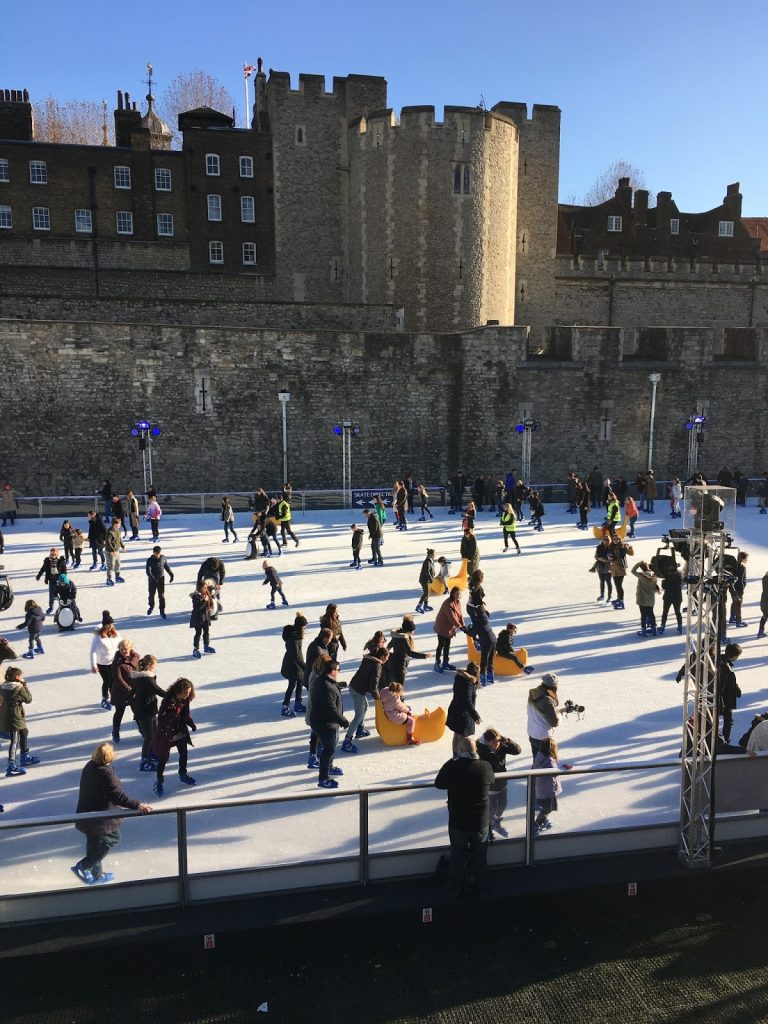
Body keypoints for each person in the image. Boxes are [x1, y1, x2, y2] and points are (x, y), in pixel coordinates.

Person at [72, 742, 152, 885]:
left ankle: (97, 875)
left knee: (94, 844)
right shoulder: (105, 773)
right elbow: (117, 796)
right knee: (114, 838)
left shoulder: (90, 766)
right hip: (101, 818)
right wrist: (138, 805)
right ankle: (85, 865)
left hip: (86, 813)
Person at [434, 736, 494, 896]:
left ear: (460, 750)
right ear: (476, 751)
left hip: (458, 822)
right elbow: (492, 780)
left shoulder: (453, 767)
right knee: (480, 857)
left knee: (457, 856)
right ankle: (481, 888)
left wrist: (452, 761)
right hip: (480, 822)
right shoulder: (485, 766)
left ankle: (454, 889)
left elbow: (438, 783)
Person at [153, 678, 198, 796]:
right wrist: (174, 713)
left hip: (180, 732)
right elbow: (161, 719)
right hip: (167, 735)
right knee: (163, 759)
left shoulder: (185, 701)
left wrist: (191, 724)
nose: (187, 695)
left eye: (189, 692)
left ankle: (183, 774)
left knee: (184, 754)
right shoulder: (167, 701)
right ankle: (159, 781)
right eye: (185, 692)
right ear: (179, 691)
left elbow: (186, 715)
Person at [309, 660, 348, 789]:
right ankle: (323, 778)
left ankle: (329, 767)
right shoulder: (327, 686)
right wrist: (343, 720)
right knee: (328, 749)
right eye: (338, 670)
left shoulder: (322, 680)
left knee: (331, 747)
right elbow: (331, 708)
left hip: (324, 721)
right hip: (326, 723)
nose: (339, 672)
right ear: (332, 671)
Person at [477, 727, 522, 839]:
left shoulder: (502, 745)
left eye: (498, 741)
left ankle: (495, 822)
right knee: (491, 809)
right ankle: (487, 830)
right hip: (490, 784)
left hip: (502, 781)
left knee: (502, 805)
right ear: (487, 742)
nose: (497, 744)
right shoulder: (480, 750)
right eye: (494, 742)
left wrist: (507, 741)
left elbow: (518, 751)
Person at [343, 647, 387, 752]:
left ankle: (360, 730)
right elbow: (373, 686)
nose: (387, 659)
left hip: (355, 686)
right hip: (358, 690)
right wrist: (378, 699)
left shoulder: (369, 659)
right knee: (358, 716)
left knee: (365, 707)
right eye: (387, 657)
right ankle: (347, 741)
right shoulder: (377, 665)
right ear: (382, 657)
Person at [1, 665, 39, 776]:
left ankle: (24, 756)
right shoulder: (19, 688)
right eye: (21, 676)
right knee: (14, 741)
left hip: (6, 715)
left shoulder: (2, 687)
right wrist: (25, 685)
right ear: (17, 677)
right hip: (15, 716)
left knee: (24, 732)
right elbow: (28, 699)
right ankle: (11, 766)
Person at [130, 654, 165, 772]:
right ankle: (144, 760)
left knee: (153, 734)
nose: (156, 667)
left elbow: (131, 694)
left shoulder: (141, 677)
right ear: (150, 665)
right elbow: (158, 690)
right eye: (155, 665)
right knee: (149, 736)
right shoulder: (147, 679)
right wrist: (172, 696)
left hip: (149, 710)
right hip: (144, 712)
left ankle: (152, 753)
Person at [533, 736, 571, 833]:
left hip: (542, 790)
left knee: (547, 808)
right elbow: (555, 772)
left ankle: (542, 821)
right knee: (547, 809)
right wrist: (563, 767)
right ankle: (537, 824)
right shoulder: (549, 760)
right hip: (548, 791)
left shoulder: (539, 757)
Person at [446, 663, 482, 756]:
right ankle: (461, 756)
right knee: (462, 737)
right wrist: (476, 716)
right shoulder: (468, 683)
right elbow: (467, 701)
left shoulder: (460, 678)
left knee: (457, 735)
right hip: (463, 714)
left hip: (455, 710)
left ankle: (455, 755)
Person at [386, 615, 429, 687]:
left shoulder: (396, 636)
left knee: (394, 685)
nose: (414, 632)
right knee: (399, 687)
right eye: (413, 630)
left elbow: (388, 647)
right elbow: (410, 652)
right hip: (401, 665)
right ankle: (399, 697)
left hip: (393, 663)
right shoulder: (404, 639)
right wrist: (424, 656)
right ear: (409, 631)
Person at [526, 672, 561, 760]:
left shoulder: (533, 693)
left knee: (537, 760)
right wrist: (560, 713)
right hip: (543, 737)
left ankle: (534, 773)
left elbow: (542, 711)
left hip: (532, 732)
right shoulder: (547, 700)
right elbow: (554, 722)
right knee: (545, 763)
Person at [90, 612, 121, 710]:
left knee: (113, 680)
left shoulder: (115, 634)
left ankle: (114, 697)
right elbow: (93, 651)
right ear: (104, 625)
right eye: (108, 625)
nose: (110, 626)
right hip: (102, 663)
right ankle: (104, 699)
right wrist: (93, 664)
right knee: (107, 680)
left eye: (111, 624)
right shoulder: (98, 638)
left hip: (113, 661)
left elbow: (121, 644)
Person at [280, 613, 307, 717]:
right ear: (300, 627)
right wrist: (306, 667)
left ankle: (298, 704)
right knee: (292, 685)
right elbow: (296, 657)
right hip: (291, 667)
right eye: (304, 627)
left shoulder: (296, 636)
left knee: (300, 682)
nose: (305, 629)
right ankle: (285, 707)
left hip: (296, 666)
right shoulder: (294, 639)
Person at [433, 587, 465, 674]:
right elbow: (452, 617)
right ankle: (437, 663)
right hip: (442, 626)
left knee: (447, 644)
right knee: (441, 645)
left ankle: (445, 663)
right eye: (456, 594)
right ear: (452, 594)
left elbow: (460, 614)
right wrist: (459, 626)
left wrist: (463, 624)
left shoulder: (458, 602)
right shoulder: (448, 603)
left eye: (459, 594)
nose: (458, 595)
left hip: (450, 628)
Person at [380, 680, 420, 745]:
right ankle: (409, 739)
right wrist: (408, 712)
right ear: (397, 691)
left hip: (388, 712)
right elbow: (402, 707)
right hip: (394, 716)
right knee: (412, 720)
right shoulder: (394, 698)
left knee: (407, 708)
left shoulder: (384, 691)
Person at [718, 643, 742, 743]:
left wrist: (737, 689)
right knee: (728, 721)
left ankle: (723, 740)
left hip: (725, 697)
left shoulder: (721, 660)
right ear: (735, 656)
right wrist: (721, 701)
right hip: (725, 698)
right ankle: (724, 741)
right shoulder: (726, 667)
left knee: (727, 721)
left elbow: (730, 681)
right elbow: (721, 685)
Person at [632, 561, 660, 637]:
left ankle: (644, 630)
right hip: (651, 599)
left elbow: (633, 571)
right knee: (651, 614)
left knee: (643, 615)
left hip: (642, 599)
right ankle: (654, 630)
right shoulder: (654, 577)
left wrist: (638, 563)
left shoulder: (641, 576)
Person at [146, 545, 174, 618]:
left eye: (159, 553)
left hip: (161, 580)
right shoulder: (150, 560)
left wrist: (171, 574)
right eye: (156, 553)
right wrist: (153, 578)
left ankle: (162, 610)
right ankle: (151, 606)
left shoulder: (163, 558)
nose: (158, 555)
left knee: (161, 596)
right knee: (151, 595)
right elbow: (148, 571)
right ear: (154, 553)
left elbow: (167, 567)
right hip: (152, 581)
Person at [35, 547, 66, 613]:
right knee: (51, 593)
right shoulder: (47, 561)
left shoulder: (61, 561)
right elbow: (43, 569)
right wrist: (39, 575)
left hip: (59, 579)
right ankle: (51, 607)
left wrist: (64, 579)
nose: (53, 556)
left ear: (57, 554)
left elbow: (64, 571)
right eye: (52, 554)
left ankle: (63, 606)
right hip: (51, 579)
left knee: (61, 593)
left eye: (55, 554)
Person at [190, 580, 216, 659]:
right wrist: (204, 601)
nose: (205, 589)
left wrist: (210, 606)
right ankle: (195, 649)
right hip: (197, 617)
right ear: (199, 588)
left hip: (205, 617)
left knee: (206, 631)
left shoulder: (206, 593)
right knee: (198, 633)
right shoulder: (196, 596)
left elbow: (211, 602)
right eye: (203, 588)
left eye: (205, 587)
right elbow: (197, 607)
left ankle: (206, 646)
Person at [609, 536, 633, 611]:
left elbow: (631, 553)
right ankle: (619, 599)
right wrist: (609, 557)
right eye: (614, 539)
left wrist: (628, 547)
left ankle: (621, 601)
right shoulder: (611, 546)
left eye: (618, 539)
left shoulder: (623, 546)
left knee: (619, 585)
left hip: (620, 568)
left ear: (620, 540)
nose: (616, 540)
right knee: (617, 585)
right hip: (613, 568)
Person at [659, 567, 684, 634]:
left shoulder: (667, 577)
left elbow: (664, 587)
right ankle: (680, 626)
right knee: (678, 612)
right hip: (677, 597)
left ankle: (662, 626)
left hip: (668, 597)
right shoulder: (679, 577)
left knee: (665, 612)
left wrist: (663, 581)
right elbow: (681, 585)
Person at [728, 551, 749, 628]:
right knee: (738, 604)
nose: (747, 560)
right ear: (743, 559)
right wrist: (743, 586)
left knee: (734, 602)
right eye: (746, 558)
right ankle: (738, 621)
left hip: (732, 587)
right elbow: (741, 579)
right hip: (738, 588)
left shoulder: (734, 566)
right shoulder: (742, 567)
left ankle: (732, 617)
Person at [104, 518, 126, 587]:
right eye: (119, 524)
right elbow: (108, 542)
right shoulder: (109, 532)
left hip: (116, 551)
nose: (120, 525)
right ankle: (109, 579)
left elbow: (119, 539)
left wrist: (123, 546)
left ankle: (117, 576)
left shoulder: (118, 530)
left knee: (118, 564)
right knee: (110, 566)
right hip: (110, 552)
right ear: (115, 524)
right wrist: (113, 550)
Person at [594, 535, 614, 604]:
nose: (605, 541)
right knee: (602, 581)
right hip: (600, 566)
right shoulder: (599, 547)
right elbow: (596, 556)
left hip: (609, 567)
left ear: (609, 540)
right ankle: (602, 595)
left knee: (608, 581)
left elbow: (614, 558)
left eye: (607, 539)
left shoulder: (611, 548)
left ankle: (609, 596)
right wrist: (600, 558)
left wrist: (607, 560)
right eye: (604, 539)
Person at [415, 548, 435, 614]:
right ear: (430, 554)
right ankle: (418, 606)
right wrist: (431, 579)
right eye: (434, 554)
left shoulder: (430, 560)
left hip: (427, 579)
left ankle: (425, 605)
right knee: (426, 593)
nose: (434, 556)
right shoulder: (427, 561)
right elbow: (427, 571)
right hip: (424, 579)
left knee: (427, 592)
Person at [758, 570, 768, 638]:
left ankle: (760, 631)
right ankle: (760, 632)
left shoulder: (764, 579)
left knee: (764, 616)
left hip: (763, 601)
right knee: (765, 616)